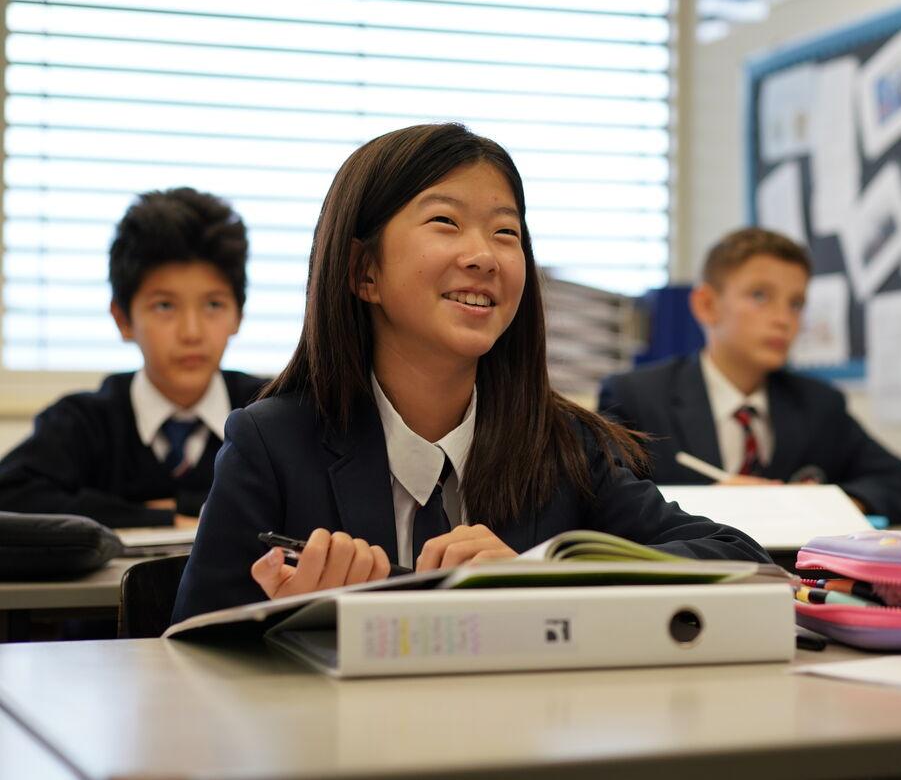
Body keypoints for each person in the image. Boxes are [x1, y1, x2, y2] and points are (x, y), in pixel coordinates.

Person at [172, 124, 766, 622]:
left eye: (506, 232)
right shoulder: (272, 443)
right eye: (446, 223)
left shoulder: (562, 446)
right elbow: (184, 657)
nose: (484, 255)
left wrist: (543, 577)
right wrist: (286, 624)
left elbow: (739, 558)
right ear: (363, 272)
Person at [597, 227, 901, 525]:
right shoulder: (636, 397)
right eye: (760, 296)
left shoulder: (817, 405)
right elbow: (604, 505)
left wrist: (837, 501)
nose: (784, 318)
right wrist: (712, 503)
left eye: (796, 303)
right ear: (707, 305)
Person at [0, 188, 266, 528]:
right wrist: (162, 517)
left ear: (238, 315)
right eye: (164, 306)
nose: (192, 332)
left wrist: (185, 505)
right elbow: (11, 496)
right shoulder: (83, 422)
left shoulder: (268, 410)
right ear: (123, 319)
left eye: (213, 304)